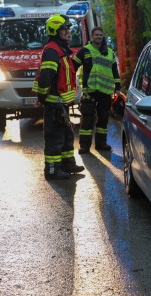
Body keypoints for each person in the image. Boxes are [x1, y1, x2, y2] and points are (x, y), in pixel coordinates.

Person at [32, 13, 85, 180]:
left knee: (67, 135)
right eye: (65, 29)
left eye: (68, 29)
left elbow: (67, 72)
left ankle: (67, 164)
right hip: (54, 104)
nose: (68, 32)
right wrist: (42, 99)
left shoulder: (61, 50)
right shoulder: (52, 51)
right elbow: (46, 76)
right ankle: (53, 170)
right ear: (55, 30)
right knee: (55, 137)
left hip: (62, 103)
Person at [73, 27, 121, 153]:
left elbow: (115, 71)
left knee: (103, 118)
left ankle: (101, 144)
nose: (99, 37)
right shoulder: (84, 51)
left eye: (100, 35)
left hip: (105, 91)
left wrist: (118, 88)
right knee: (87, 119)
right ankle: (84, 146)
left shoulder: (110, 52)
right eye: (96, 35)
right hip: (90, 90)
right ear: (91, 36)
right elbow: (73, 66)